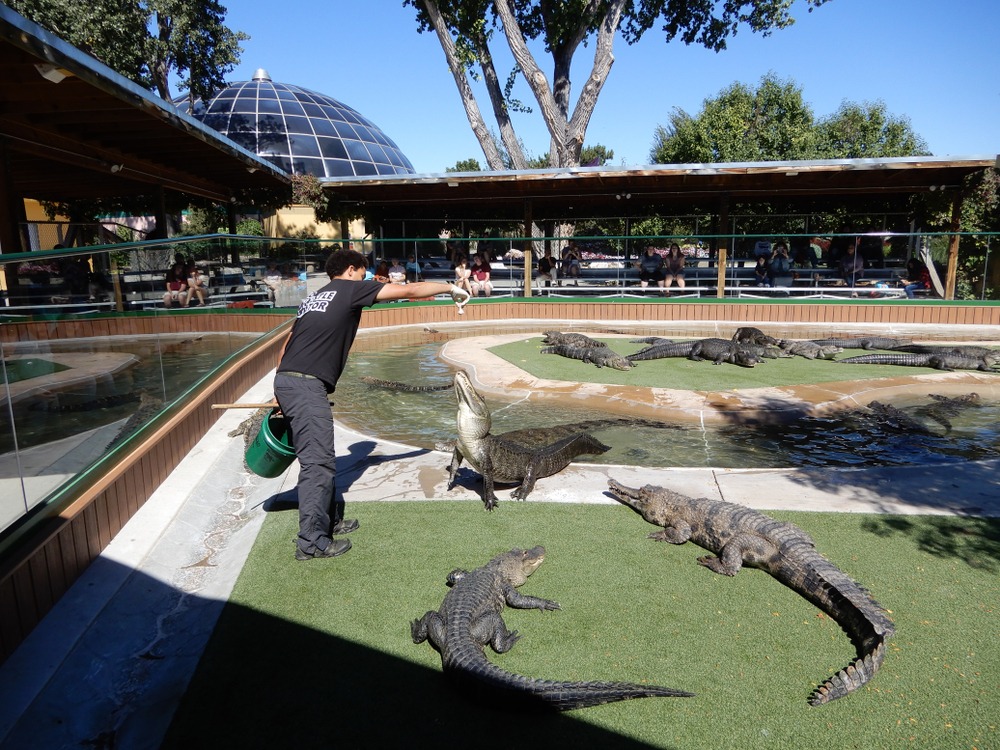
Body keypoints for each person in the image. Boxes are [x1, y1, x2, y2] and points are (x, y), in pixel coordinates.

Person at [273, 249, 470, 561]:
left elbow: (288, 343)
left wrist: (281, 389)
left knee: (322, 457)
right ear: (352, 270)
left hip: (291, 379)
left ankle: (330, 522)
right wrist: (450, 286)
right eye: (363, 272)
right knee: (318, 463)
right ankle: (311, 542)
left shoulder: (314, 297)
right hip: (305, 384)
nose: (366, 278)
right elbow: (409, 290)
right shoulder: (350, 288)